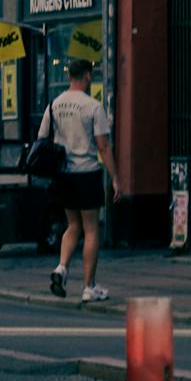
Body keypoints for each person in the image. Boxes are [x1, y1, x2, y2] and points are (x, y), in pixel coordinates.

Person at [37, 57, 120, 302]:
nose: (90, 78)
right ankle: (88, 286)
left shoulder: (54, 105)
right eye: (90, 75)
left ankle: (61, 267)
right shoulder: (93, 106)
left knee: (72, 225)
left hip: (64, 174)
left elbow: (42, 137)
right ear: (85, 76)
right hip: (87, 172)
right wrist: (115, 178)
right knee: (92, 229)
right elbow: (104, 146)